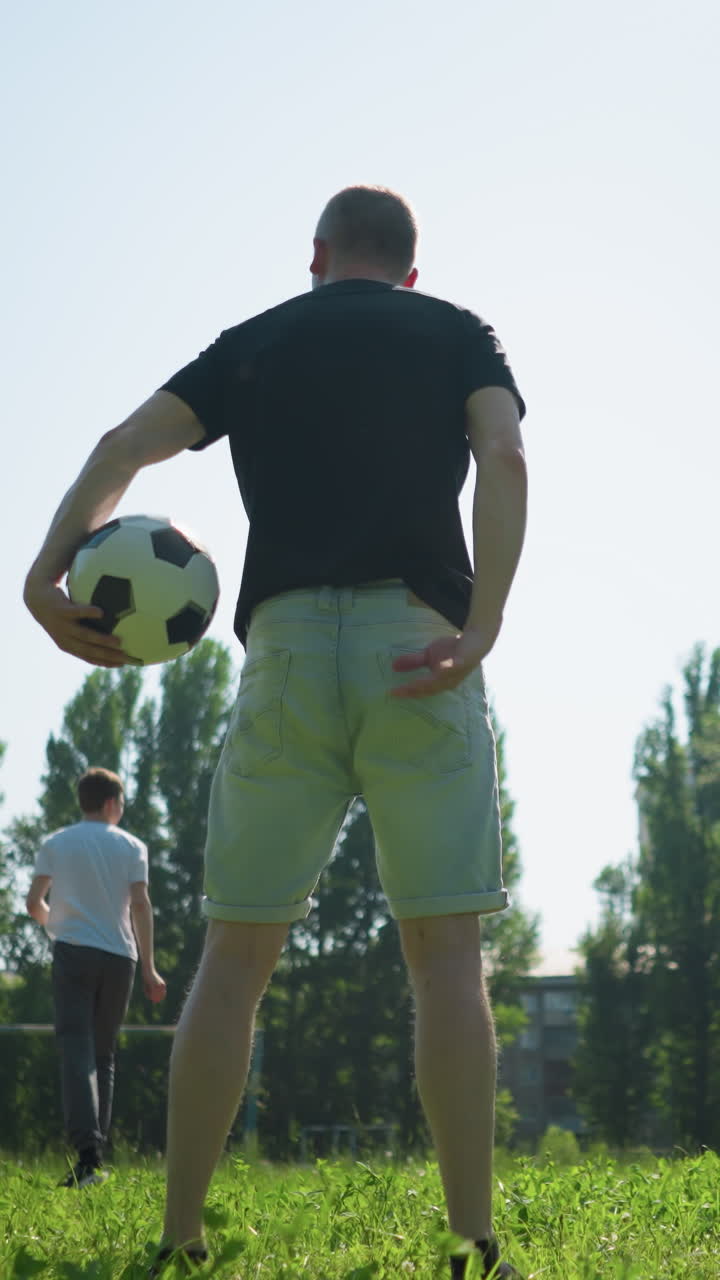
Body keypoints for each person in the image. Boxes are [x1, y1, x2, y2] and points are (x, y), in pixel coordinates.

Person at [24, 186, 528, 1278]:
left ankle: (181, 1232)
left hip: (288, 652)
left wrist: (43, 569)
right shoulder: (456, 331)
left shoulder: (261, 339)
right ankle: (472, 1238)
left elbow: (123, 444)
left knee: (236, 956)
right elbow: (505, 455)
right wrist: (482, 619)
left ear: (317, 254)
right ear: (409, 266)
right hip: (420, 648)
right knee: (445, 952)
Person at [26, 766, 166, 1187]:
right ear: (110, 803)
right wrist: (150, 967)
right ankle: (96, 1161)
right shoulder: (133, 847)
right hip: (120, 958)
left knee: (76, 1050)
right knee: (103, 1055)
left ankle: (87, 1157)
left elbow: (34, 902)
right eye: (121, 803)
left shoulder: (56, 843)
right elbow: (140, 906)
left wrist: (57, 926)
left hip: (73, 953)